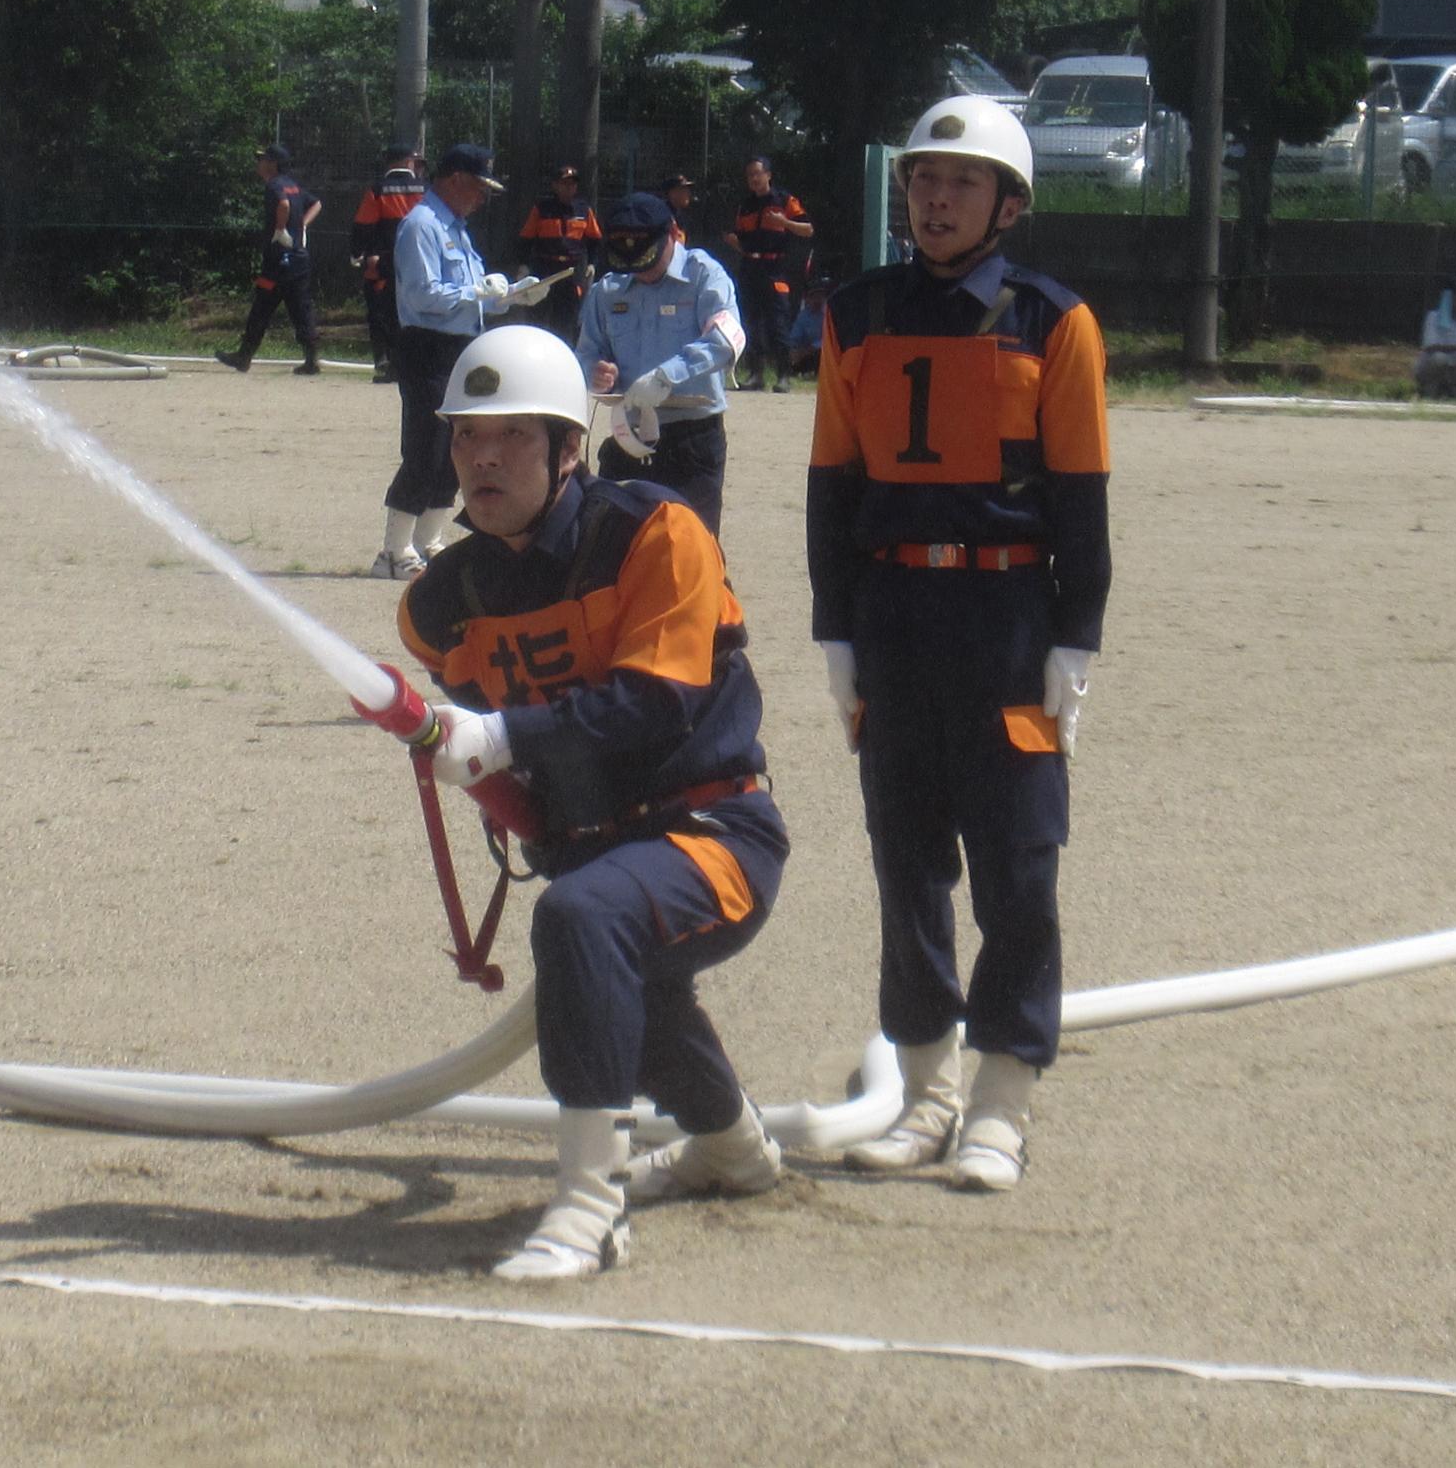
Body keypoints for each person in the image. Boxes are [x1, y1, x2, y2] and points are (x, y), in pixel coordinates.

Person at [399, 325, 788, 1280]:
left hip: (713, 835)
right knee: (620, 976)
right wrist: (473, 760)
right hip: (590, 850)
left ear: (571, 447)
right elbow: (485, 737)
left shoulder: (656, 533)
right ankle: (734, 1149)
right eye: (465, 437)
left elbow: (661, 698)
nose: (482, 458)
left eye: (514, 437)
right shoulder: (438, 602)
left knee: (584, 922)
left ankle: (590, 1207)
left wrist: (506, 736)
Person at [806, 95, 1110, 1193]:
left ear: (1007, 203)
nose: (934, 198)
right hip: (894, 617)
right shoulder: (856, 313)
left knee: (1018, 869)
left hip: (1007, 619)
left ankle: (1000, 1104)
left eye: (960, 182)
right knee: (907, 865)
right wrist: (833, 628)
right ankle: (928, 1090)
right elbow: (830, 489)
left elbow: (1080, 501)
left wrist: (1073, 640)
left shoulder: (1051, 323)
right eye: (921, 180)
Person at [373, 142, 548, 579]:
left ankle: (427, 539)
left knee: (457, 445)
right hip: (426, 346)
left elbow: (474, 300)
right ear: (455, 180)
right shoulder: (422, 226)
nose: (482, 197)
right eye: (478, 186)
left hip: (460, 346)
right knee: (424, 447)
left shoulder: (456, 227)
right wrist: (479, 293)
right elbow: (423, 296)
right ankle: (393, 550)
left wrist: (511, 296)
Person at [574, 192, 744, 535]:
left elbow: (726, 341)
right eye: (632, 264)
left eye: (649, 261)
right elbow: (586, 352)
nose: (643, 272)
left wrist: (667, 376)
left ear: (671, 235)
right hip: (630, 434)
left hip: (691, 437)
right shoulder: (608, 290)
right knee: (615, 542)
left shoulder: (704, 275)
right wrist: (596, 372)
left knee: (693, 544)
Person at [217, 144, 323, 377]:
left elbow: (283, 204)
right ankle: (311, 359)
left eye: (262, 159)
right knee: (300, 309)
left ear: (272, 163)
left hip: (278, 262)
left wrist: (280, 228)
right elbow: (317, 203)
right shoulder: (293, 184)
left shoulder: (275, 185)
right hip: (298, 260)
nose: (259, 163)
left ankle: (244, 356)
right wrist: (303, 224)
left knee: (262, 308)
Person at [724, 155, 812, 392]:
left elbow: (807, 229)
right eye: (750, 175)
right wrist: (736, 244)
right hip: (750, 268)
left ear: (768, 175)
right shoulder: (745, 205)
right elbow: (739, 235)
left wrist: (785, 221)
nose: (754, 178)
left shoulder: (784, 200)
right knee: (751, 322)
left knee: (777, 323)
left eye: (758, 173)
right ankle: (756, 374)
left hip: (776, 269)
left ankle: (784, 376)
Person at [348, 144, 425, 385]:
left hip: (385, 261)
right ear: (408, 162)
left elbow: (364, 224)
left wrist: (357, 252)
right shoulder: (427, 188)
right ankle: (414, 365)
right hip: (421, 259)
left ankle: (390, 364)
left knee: (386, 313)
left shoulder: (378, 189)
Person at [515, 162, 601, 345]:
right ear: (555, 185)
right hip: (544, 268)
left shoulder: (584, 210)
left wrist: (592, 263)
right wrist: (524, 265)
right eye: (564, 183)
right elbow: (526, 238)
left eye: (573, 183)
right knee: (536, 315)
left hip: (571, 272)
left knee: (566, 319)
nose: (569, 187)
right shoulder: (542, 209)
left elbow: (595, 239)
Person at [786, 274, 832, 378]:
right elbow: (794, 338)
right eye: (813, 296)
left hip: (825, 353)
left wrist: (808, 350)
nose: (817, 299)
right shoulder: (804, 316)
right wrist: (793, 351)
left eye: (820, 295)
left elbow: (828, 340)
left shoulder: (829, 314)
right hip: (806, 353)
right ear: (807, 298)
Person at [656, 173, 697, 247]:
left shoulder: (682, 216)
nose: (688, 193)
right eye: (683, 189)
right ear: (672, 193)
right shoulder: (661, 215)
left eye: (688, 189)